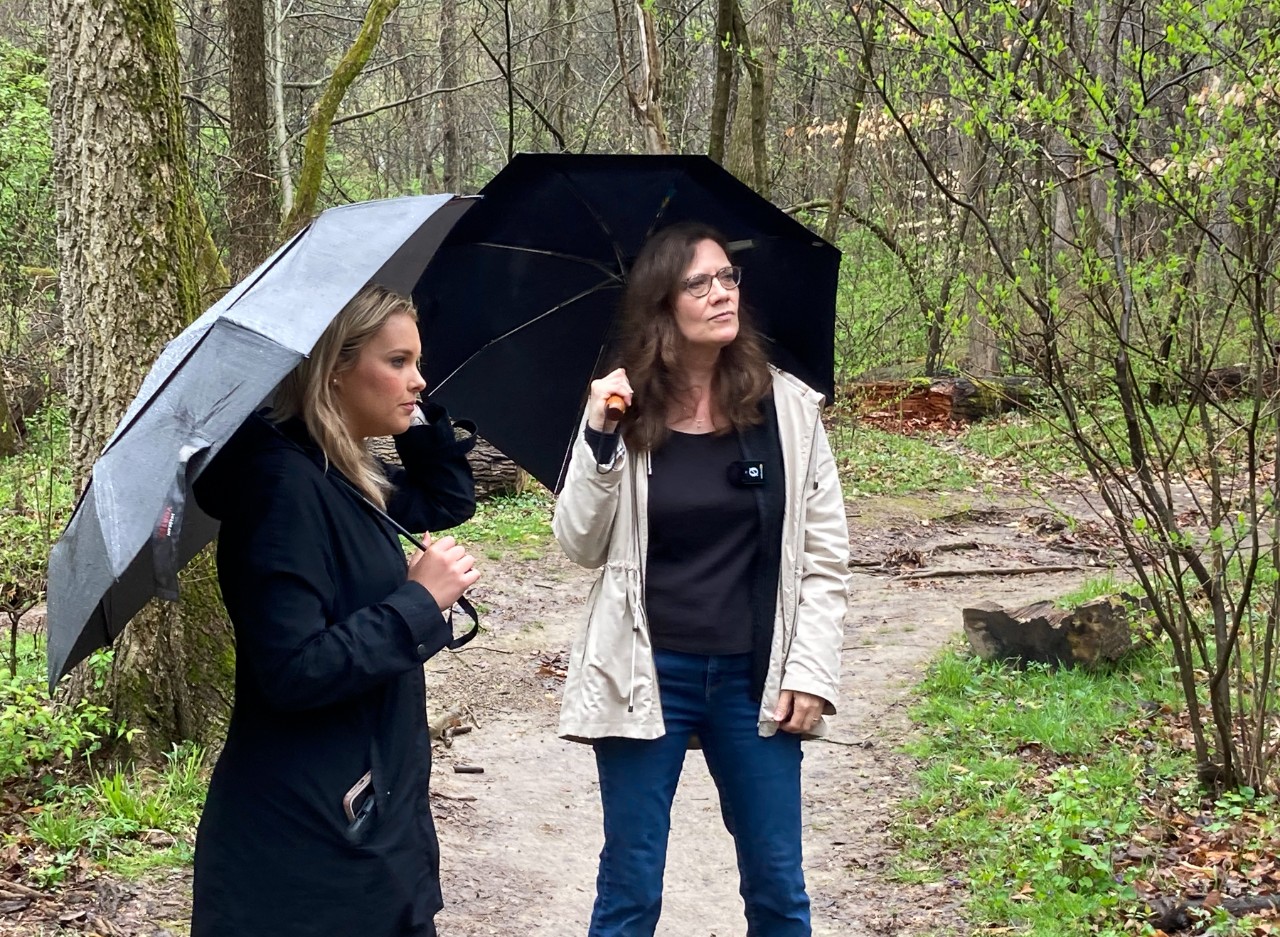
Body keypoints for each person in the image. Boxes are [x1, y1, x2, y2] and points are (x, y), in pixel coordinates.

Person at [552, 221, 851, 936]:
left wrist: (809, 671)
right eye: (700, 283)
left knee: (779, 889)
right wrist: (599, 438)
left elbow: (823, 555)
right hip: (647, 672)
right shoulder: (622, 412)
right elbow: (579, 544)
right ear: (664, 305)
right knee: (630, 886)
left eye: (728, 277)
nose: (722, 293)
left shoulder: (786, 409)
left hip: (757, 677)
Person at [190, 284, 480, 937]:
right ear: (336, 369)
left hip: (363, 827)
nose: (419, 380)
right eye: (399, 362)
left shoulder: (336, 470)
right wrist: (418, 600)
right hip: (307, 849)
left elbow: (443, 496)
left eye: (419, 360)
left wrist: (415, 411)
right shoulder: (283, 487)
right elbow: (291, 668)